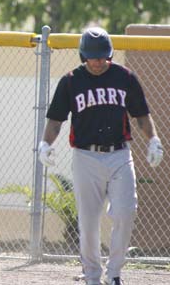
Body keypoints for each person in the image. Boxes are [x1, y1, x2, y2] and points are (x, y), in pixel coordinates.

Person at [38, 27, 163, 285]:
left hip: (119, 154)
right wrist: (45, 144)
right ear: (83, 55)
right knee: (89, 220)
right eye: (92, 56)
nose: (98, 61)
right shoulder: (71, 81)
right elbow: (56, 120)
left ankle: (114, 272)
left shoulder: (125, 77)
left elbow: (141, 114)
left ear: (110, 54)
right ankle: (92, 275)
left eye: (102, 56)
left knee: (126, 211)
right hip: (86, 156)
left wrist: (153, 139)